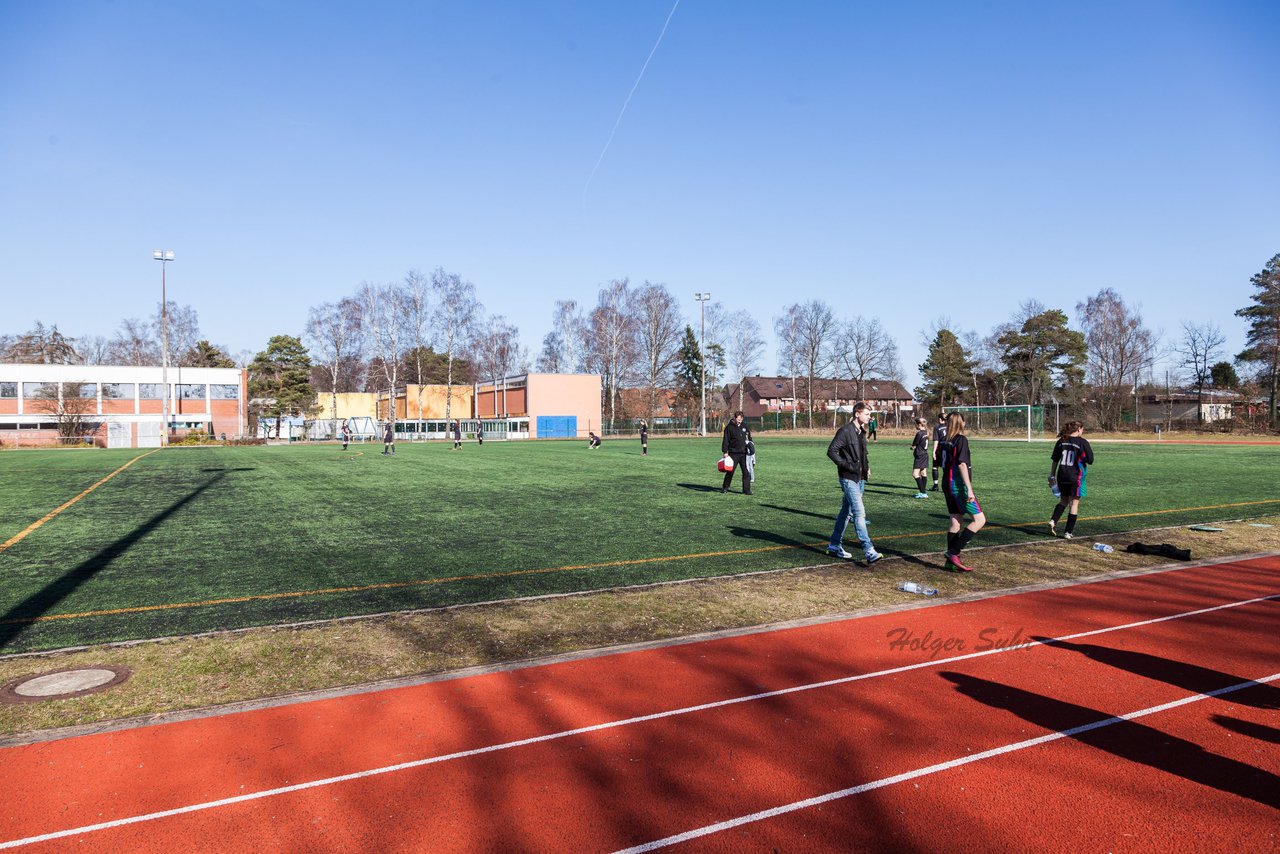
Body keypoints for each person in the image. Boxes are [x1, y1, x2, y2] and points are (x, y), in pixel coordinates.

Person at [825, 402, 882, 564]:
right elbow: (831, 451)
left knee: (846, 512)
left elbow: (864, 454)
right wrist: (846, 465)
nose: (869, 417)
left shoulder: (861, 432)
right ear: (857, 414)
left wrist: (867, 468)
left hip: (860, 478)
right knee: (859, 513)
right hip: (848, 478)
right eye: (867, 414)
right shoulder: (845, 431)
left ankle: (834, 545)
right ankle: (868, 549)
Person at [939, 412, 984, 571]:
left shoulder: (945, 441)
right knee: (979, 520)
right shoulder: (960, 439)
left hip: (946, 484)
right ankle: (953, 552)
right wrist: (969, 490)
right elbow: (962, 465)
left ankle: (951, 562)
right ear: (962, 423)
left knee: (956, 521)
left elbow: (939, 461)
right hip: (958, 486)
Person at [1048, 420, 1094, 539]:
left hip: (1062, 476)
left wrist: (1052, 476)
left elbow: (1055, 460)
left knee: (1063, 501)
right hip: (1076, 477)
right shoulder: (1082, 442)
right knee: (1074, 504)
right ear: (1078, 429)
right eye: (1082, 429)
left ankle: (1053, 520)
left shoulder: (1061, 441)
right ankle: (1068, 532)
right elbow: (1090, 460)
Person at [720, 411, 752, 494]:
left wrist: (750, 444)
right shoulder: (729, 427)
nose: (740, 421)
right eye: (738, 419)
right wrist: (725, 451)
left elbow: (748, 437)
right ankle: (725, 487)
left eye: (741, 419)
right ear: (735, 418)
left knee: (746, 472)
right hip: (733, 453)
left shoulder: (744, 426)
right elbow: (725, 440)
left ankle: (746, 490)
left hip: (743, 453)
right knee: (730, 471)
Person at [910, 417, 930, 498]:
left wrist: (912, 447)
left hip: (920, 455)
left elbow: (914, 445)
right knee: (923, 473)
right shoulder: (927, 432)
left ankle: (923, 493)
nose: (915, 426)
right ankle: (923, 492)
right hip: (925, 454)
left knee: (915, 474)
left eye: (915, 424)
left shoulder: (919, 433)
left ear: (919, 424)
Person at [930, 411, 947, 490]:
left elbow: (936, 440)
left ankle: (935, 485)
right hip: (948, 448)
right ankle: (947, 486)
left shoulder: (937, 427)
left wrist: (934, 451)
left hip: (940, 449)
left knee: (935, 467)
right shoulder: (949, 426)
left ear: (940, 419)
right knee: (946, 468)